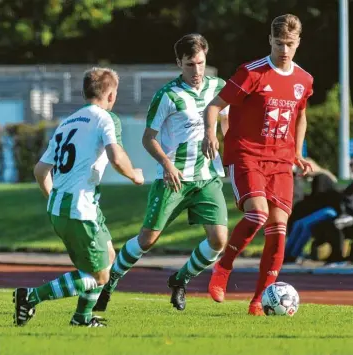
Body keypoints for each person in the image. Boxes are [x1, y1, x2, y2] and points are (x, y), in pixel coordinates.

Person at [93, 33, 229, 312]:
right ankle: (110, 281)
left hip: (207, 177)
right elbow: (148, 138)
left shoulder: (219, 87)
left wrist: (227, 143)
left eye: (201, 63)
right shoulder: (167, 95)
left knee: (219, 239)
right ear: (179, 62)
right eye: (190, 64)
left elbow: (227, 122)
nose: (197, 70)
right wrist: (167, 165)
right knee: (148, 239)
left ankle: (180, 280)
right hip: (174, 178)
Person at [13, 67, 144, 327]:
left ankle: (82, 318)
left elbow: (40, 170)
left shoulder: (67, 122)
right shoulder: (105, 118)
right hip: (80, 209)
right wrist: (135, 175)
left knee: (107, 255)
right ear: (110, 95)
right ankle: (30, 296)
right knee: (100, 276)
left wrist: (53, 198)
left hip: (69, 206)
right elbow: (117, 157)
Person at [202, 14, 313, 315]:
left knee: (279, 229)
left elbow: (300, 115)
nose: (284, 50)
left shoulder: (304, 80)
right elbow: (214, 106)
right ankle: (223, 268)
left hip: (281, 160)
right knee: (258, 215)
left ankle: (259, 299)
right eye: (279, 43)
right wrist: (210, 133)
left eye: (290, 44)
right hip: (247, 154)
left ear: (298, 42)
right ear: (270, 41)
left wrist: (298, 152)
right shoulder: (252, 73)